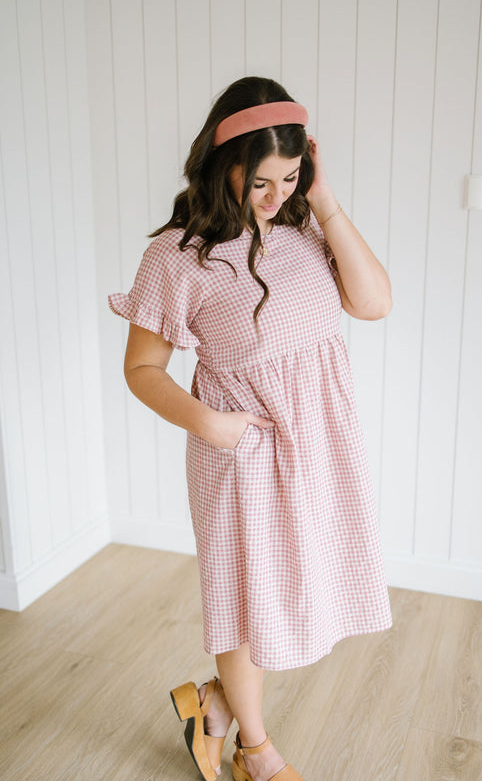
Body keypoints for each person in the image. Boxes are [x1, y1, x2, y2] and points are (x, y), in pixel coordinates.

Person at [109, 76, 393, 781]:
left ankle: (212, 703)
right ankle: (254, 753)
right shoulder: (177, 257)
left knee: (293, 589)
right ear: (220, 162)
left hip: (319, 444)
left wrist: (321, 199)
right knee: (247, 596)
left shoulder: (304, 228)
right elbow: (142, 369)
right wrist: (214, 426)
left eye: (290, 177)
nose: (274, 197)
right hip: (241, 447)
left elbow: (373, 302)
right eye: (259, 181)